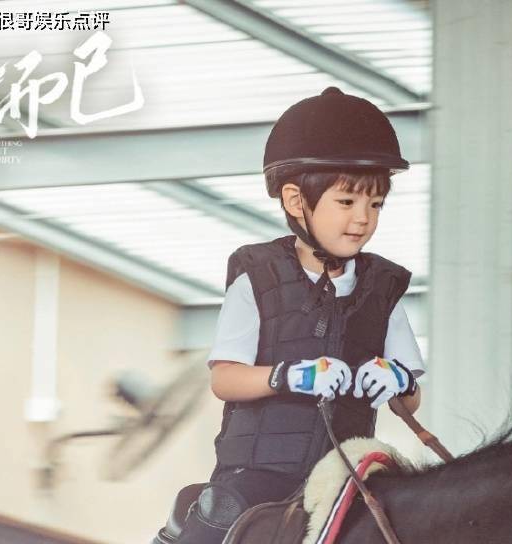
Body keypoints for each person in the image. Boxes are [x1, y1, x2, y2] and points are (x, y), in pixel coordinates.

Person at [172, 87, 425, 544]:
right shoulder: (257, 279)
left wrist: (400, 381)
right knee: (217, 518)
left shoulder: (385, 290)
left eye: (376, 205)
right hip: (260, 473)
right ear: (295, 200)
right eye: (347, 203)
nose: (364, 219)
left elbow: (409, 403)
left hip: (343, 469)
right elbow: (224, 379)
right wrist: (288, 377)